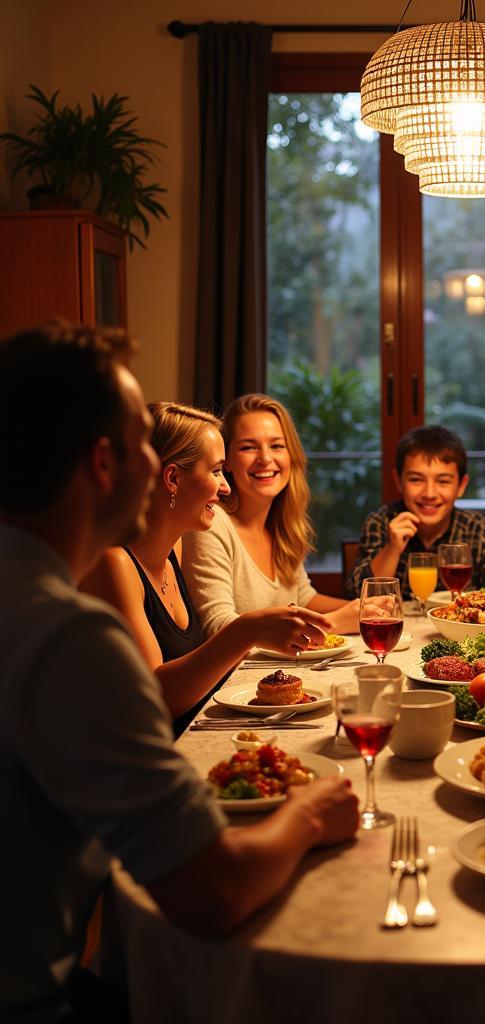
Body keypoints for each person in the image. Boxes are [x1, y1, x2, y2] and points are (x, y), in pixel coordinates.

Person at [0, 324, 359, 1022]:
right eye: (143, 441)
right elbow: (214, 892)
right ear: (105, 463)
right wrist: (311, 813)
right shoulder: (68, 634)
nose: (163, 465)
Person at [81, 402, 334, 733]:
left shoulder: (176, 549)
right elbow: (156, 698)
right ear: (172, 478)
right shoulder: (114, 563)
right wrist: (247, 631)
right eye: (215, 471)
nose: (226, 487)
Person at [183, 394, 361, 637]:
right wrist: (333, 623)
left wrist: (361, 610)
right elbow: (218, 627)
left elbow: (303, 597)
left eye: (277, 446)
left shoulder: (281, 524)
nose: (265, 459)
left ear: (291, 456)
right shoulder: (212, 524)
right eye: (248, 447)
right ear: (227, 462)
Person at [350, 424, 485, 599]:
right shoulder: (381, 522)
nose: (429, 494)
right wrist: (392, 548)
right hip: (400, 626)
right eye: (416, 480)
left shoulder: (484, 534)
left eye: (443, 482)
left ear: (461, 486)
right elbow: (358, 598)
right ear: (398, 481)